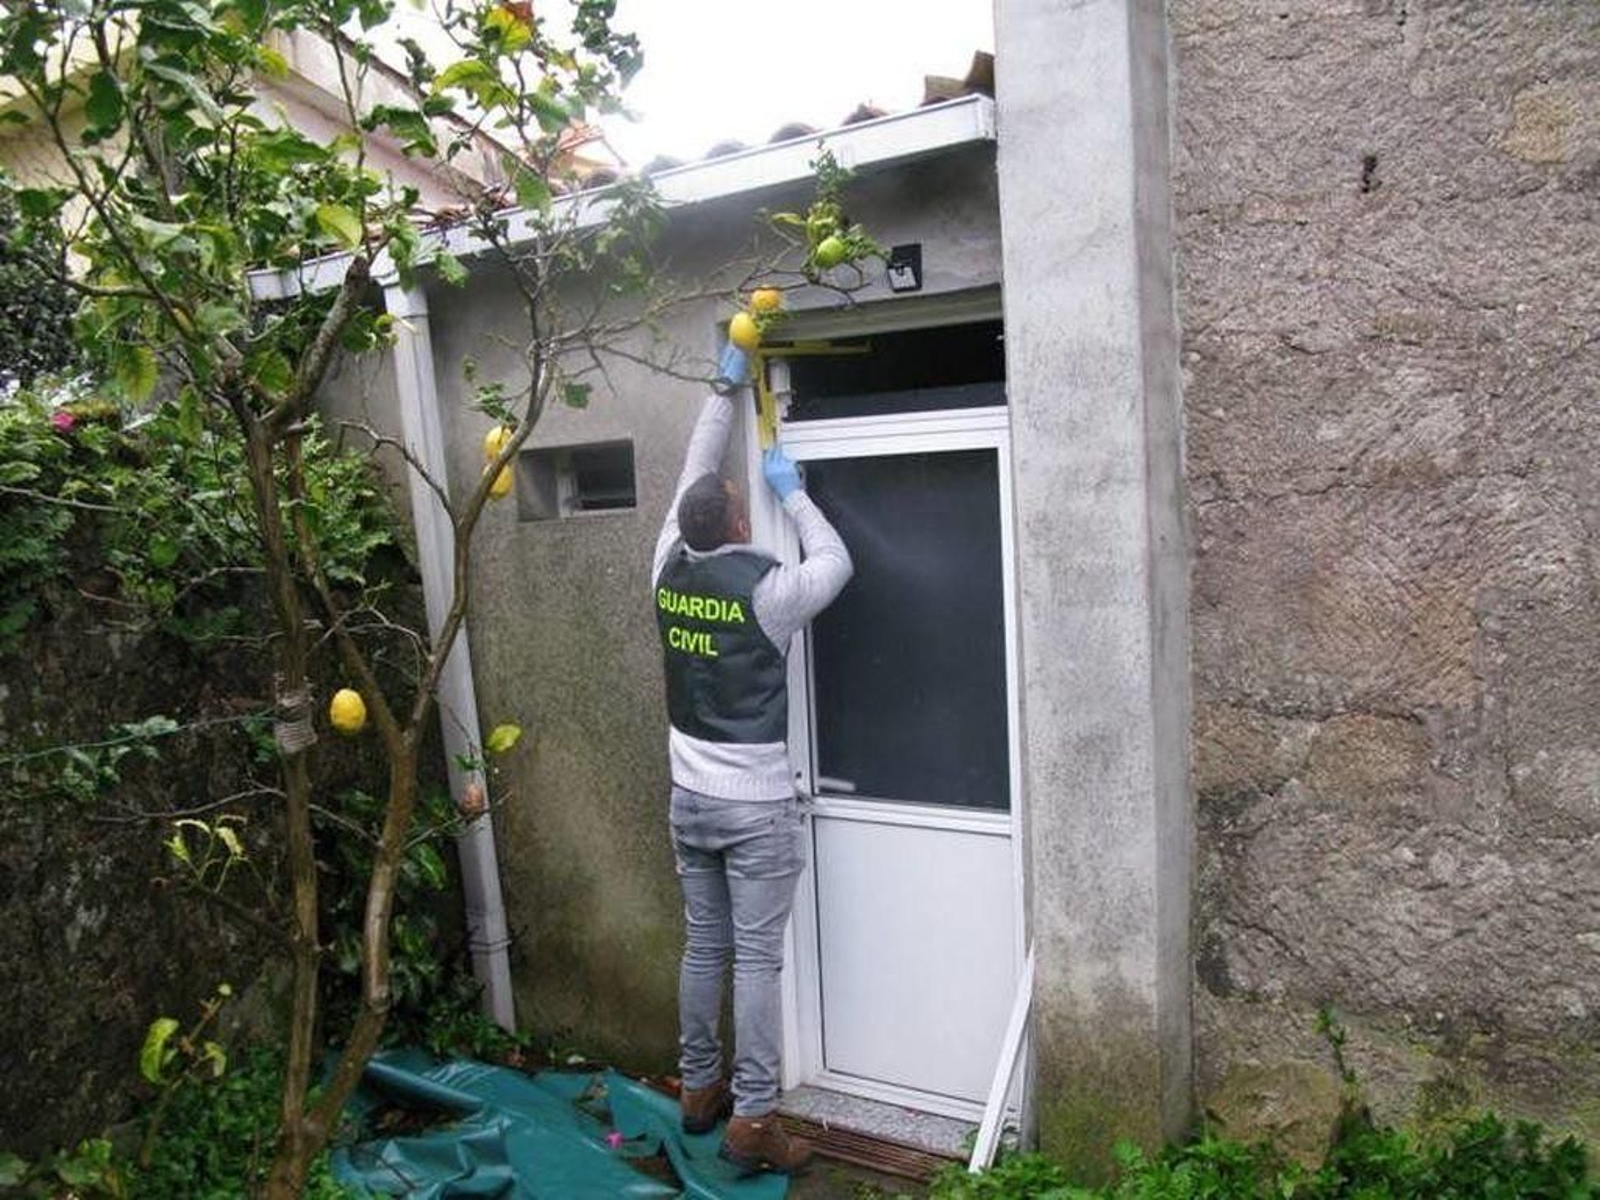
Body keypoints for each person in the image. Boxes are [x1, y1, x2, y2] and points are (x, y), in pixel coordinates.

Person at [650, 341, 853, 1175]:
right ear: (740, 525)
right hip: (755, 808)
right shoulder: (769, 596)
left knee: (706, 946)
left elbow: (694, 472)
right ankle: (755, 1118)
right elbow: (838, 564)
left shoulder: (663, 565)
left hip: (687, 800)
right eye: (744, 504)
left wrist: (723, 390)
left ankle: (700, 1091)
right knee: (758, 959)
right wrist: (797, 495)